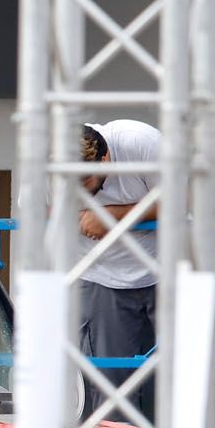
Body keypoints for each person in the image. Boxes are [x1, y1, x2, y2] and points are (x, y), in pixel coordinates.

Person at [78, 120, 161, 404]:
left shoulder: (140, 142)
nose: (79, 193)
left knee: (189, 370)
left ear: (105, 160)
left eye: (85, 182)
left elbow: (180, 200)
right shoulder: (48, 161)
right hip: (100, 277)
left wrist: (112, 216)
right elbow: (36, 212)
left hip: (167, 270)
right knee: (110, 388)